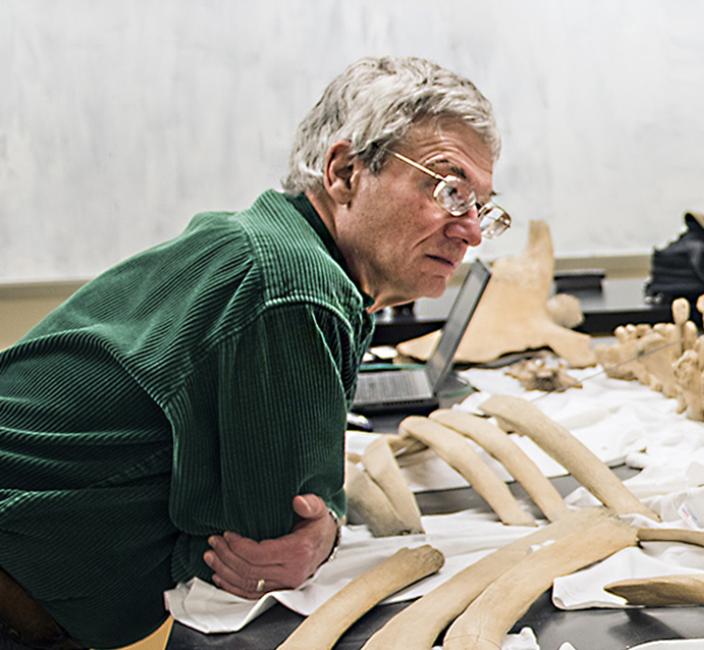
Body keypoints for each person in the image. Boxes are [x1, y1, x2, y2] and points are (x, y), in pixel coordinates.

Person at [0, 55, 508, 649]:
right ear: (344, 172)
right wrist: (316, 530)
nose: (470, 229)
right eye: (449, 189)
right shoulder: (293, 286)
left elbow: (304, 496)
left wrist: (325, 523)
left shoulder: (277, 249)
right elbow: (262, 545)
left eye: (480, 206)